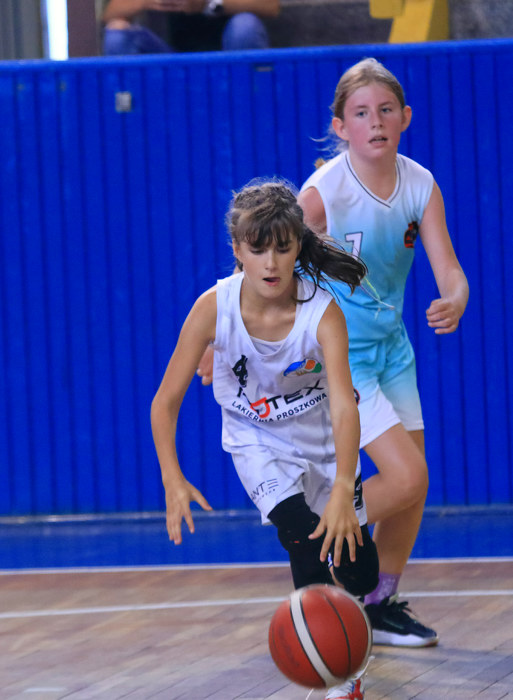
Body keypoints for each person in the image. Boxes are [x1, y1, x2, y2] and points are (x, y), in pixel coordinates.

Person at [151, 180, 379, 699]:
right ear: (237, 250)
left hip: (322, 437)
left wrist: (343, 484)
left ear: (298, 246)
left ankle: (356, 610)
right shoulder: (214, 308)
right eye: (257, 250)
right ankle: (336, 674)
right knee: (301, 532)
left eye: (282, 248)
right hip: (256, 438)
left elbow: (345, 405)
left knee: (360, 572)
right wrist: (172, 478)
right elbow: (164, 403)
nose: (271, 263)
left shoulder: (322, 313)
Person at [297, 57, 469, 648]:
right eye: (362, 113)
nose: (376, 121)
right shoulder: (322, 195)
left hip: (394, 350)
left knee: (414, 486)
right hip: (340, 355)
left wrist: (455, 297)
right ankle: (316, 531)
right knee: (407, 476)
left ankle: (376, 603)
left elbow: (449, 268)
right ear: (340, 126)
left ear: (405, 118)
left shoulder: (420, 184)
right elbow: (264, 267)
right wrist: (222, 335)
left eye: (386, 110)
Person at [101, 0, 279, 56]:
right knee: (117, 33)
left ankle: (251, 108)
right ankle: (128, 122)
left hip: (232, 56)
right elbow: (110, 13)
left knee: (245, 25)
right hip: (174, 60)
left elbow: (270, 6)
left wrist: (208, 4)